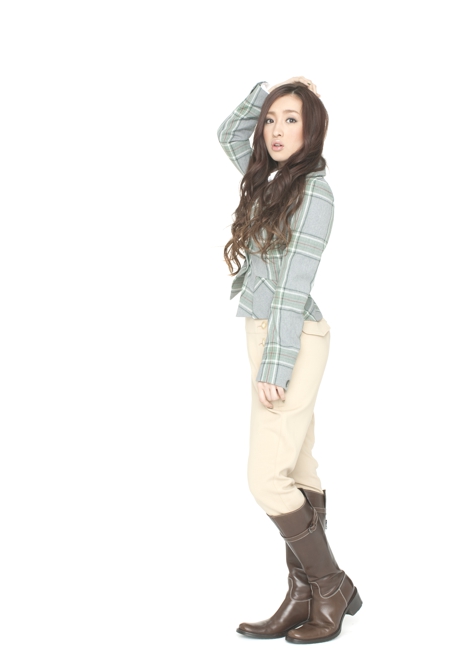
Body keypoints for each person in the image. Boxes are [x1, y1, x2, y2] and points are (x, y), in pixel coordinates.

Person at [216, 77, 362, 644]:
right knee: (297, 471)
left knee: (265, 479)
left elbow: (294, 287)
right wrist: (273, 86)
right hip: (269, 333)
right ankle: (303, 595)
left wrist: (274, 366)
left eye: (291, 119)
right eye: (271, 120)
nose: (276, 130)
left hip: (291, 337)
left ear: (313, 129)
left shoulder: (314, 193)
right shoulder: (271, 180)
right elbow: (229, 133)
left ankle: (330, 585)